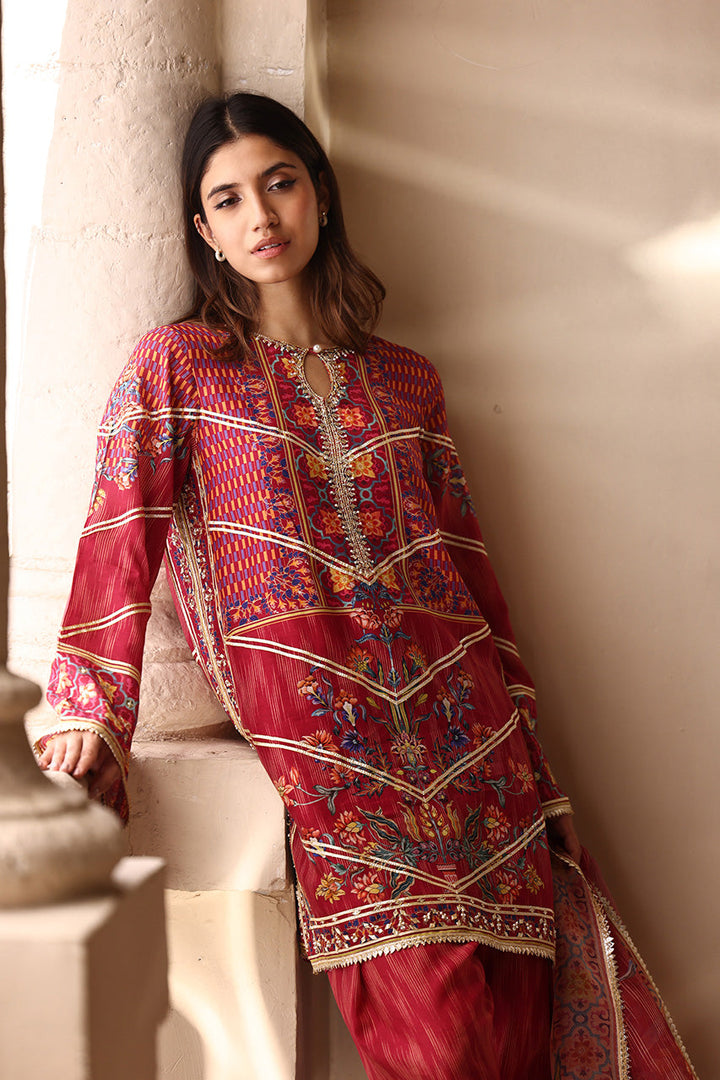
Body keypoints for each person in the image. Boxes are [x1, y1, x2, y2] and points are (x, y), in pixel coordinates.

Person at [37, 90, 585, 1080]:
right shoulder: (179, 366)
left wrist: (538, 769)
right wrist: (91, 703)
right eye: (229, 199)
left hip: (477, 751)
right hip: (330, 752)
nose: (261, 216)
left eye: (280, 183)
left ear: (321, 196)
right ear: (203, 230)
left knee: (518, 1041)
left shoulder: (408, 380)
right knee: (445, 1048)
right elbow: (120, 533)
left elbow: (469, 575)